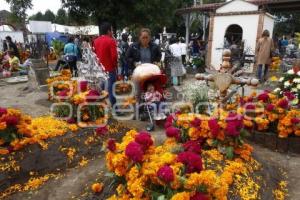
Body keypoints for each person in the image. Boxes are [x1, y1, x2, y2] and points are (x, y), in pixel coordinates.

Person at [94, 22, 118, 106]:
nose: (112, 32)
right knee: (111, 90)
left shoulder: (96, 41)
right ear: (108, 31)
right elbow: (114, 56)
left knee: (101, 91)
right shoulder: (111, 41)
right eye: (111, 30)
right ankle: (115, 109)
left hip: (100, 70)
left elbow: (95, 55)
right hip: (110, 69)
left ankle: (102, 108)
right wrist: (115, 66)